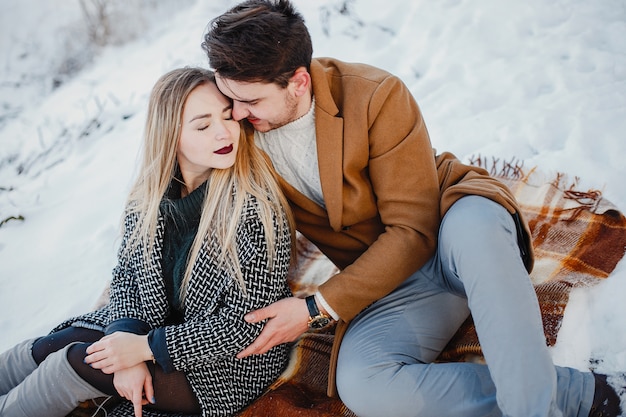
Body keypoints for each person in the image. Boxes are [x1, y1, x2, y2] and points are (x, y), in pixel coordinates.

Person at [201, 1, 623, 416]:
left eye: (250, 101)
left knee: (478, 234)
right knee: (365, 383)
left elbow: (415, 231)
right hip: (389, 281)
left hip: (449, 225)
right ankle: (584, 393)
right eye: (230, 98)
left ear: (298, 82)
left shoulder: (375, 94)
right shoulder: (237, 133)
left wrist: (315, 308)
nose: (236, 113)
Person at [0, 67, 295, 417]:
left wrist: (145, 349)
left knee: (70, 365)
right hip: (153, 327)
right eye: (203, 125)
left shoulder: (254, 208)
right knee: (44, 349)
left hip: (225, 365)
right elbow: (126, 276)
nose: (223, 132)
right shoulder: (148, 198)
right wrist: (125, 337)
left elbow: (243, 325)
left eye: (228, 117)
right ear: (170, 135)